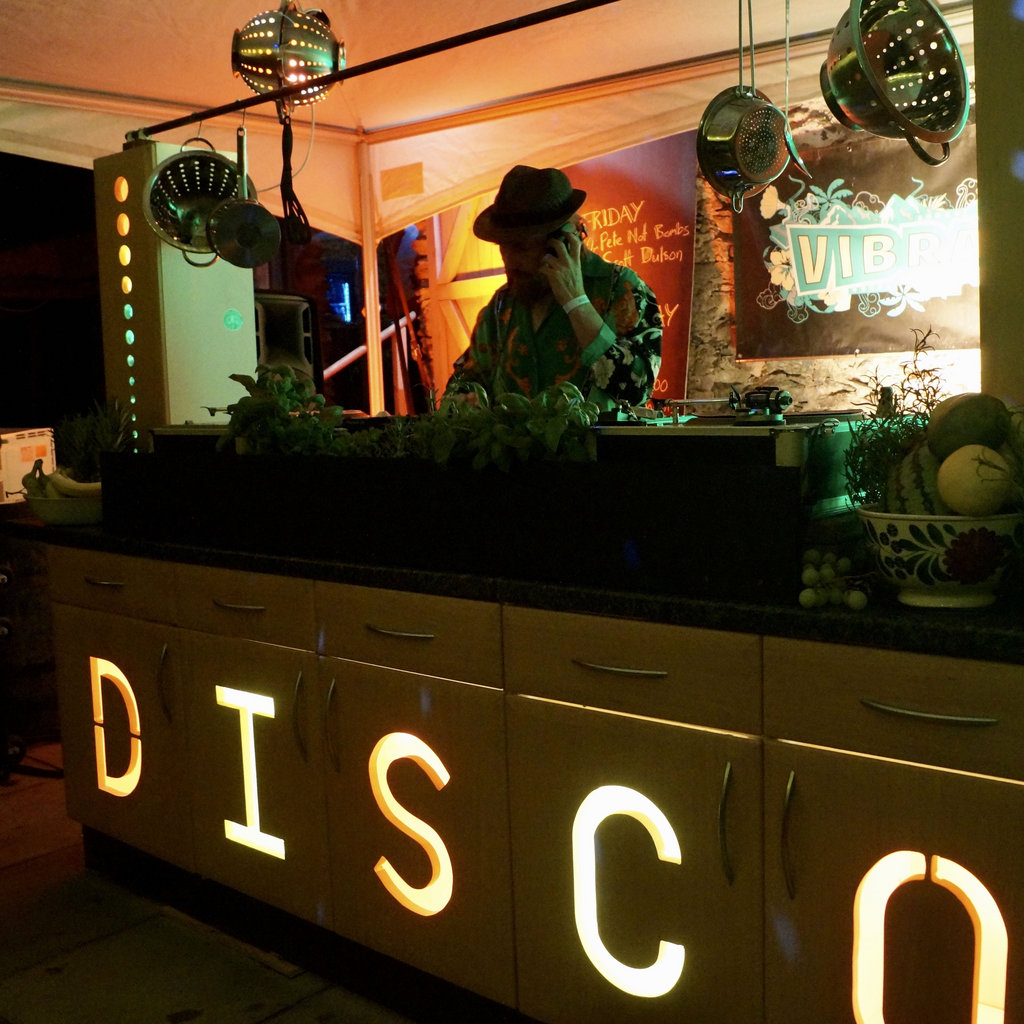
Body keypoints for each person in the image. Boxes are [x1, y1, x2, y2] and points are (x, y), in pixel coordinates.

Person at [445, 165, 662, 410]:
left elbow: (637, 390)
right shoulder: (501, 306)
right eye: (503, 246)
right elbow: (465, 380)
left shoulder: (622, 289)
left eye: (522, 246)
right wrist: (462, 399)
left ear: (563, 241)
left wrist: (576, 303)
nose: (509, 260)